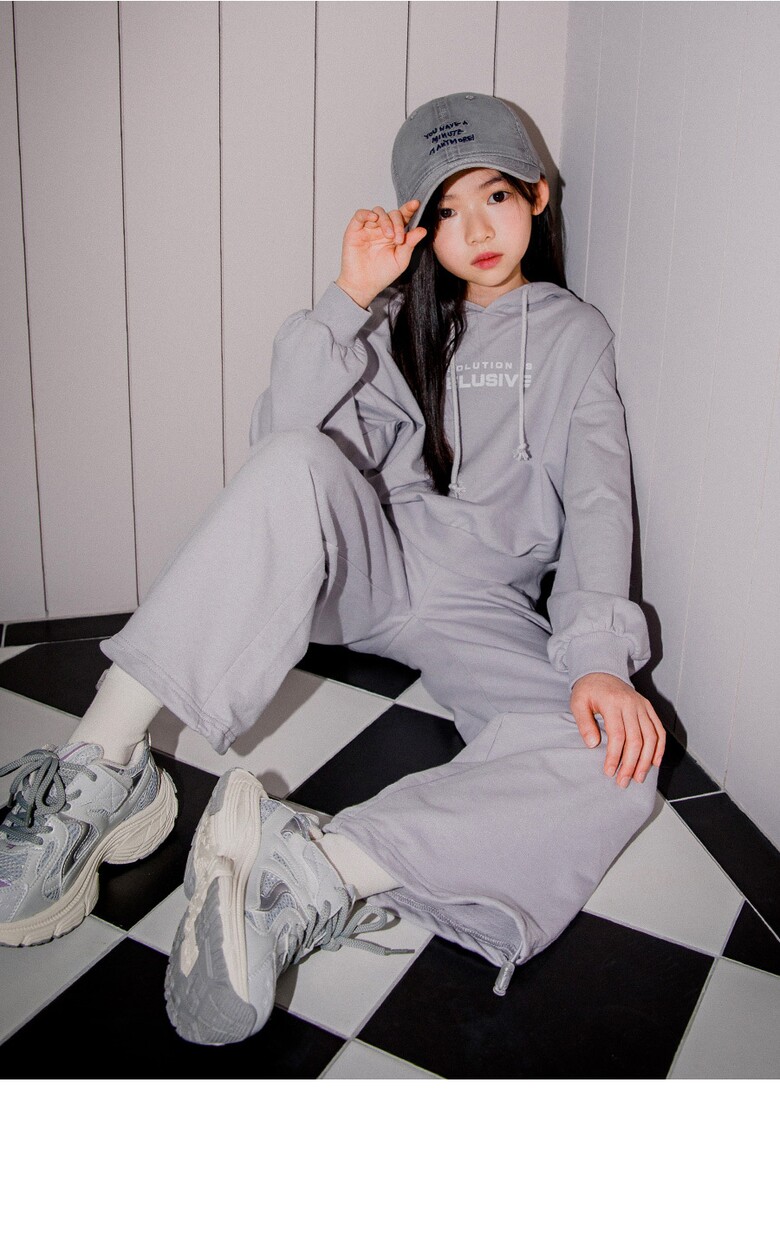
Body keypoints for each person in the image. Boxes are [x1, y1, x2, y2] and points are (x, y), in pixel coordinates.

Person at [0, 92, 664, 1047]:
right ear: (417, 227)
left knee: (616, 761)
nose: (477, 230)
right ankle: (100, 767)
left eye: (495, 196)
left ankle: (310, 868)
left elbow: (600, 498)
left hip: (484, 607)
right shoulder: (399, 323)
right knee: (292, 460)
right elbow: (281, 443)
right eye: (447, 211)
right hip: (375, 566)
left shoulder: (574, 337)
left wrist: (599, 658)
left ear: (539, 195)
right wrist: (348, 298)